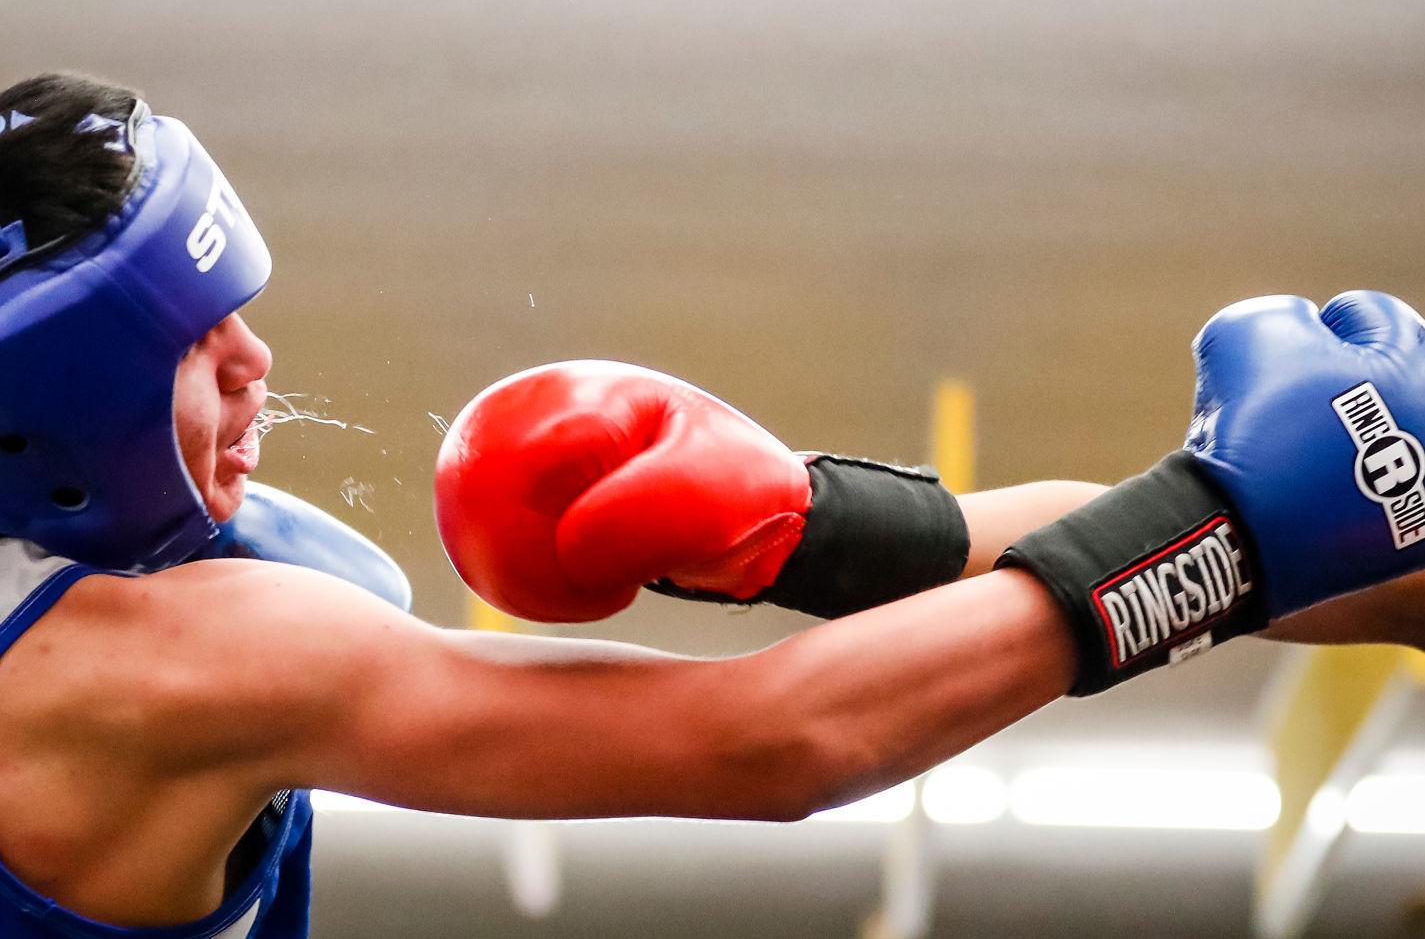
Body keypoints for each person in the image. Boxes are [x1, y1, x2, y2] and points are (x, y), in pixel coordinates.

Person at [0, 71, 1422, 939]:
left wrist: (817, 528)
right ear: (57, 401)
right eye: (188, 338)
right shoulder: (150, 656)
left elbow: (1041, 546)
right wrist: (1207, 536)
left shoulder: (131, 591)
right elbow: (769, 743)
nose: (255, 357)